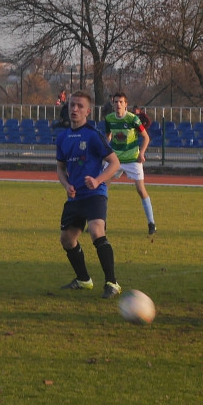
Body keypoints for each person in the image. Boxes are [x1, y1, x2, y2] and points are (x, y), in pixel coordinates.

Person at [56, 90, 122, 298]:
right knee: (67, 239)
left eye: (80, 106)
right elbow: (60, 167)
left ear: (88, 111)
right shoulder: (63, 137)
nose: (75, 109)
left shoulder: (93, 135)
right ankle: (84, 279)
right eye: (72, 105)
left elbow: (115, 163)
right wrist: (66, 184)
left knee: (96, 231)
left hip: (95, 194)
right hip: (75, 196)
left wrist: (97, 180)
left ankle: (112, 283)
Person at [105, 91, 156, 235]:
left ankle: (151, 224)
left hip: (132, 159)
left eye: (121, 102)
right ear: (112, 103)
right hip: (115, 159)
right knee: (102, 188)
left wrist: (142, 153)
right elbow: (108, 136)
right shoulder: (109, 119)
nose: (118, 104)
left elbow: (146, 137)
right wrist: (106, 152)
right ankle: (99, 222)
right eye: (115, 102)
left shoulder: (133, 119)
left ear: (126, 104)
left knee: (141, 190)